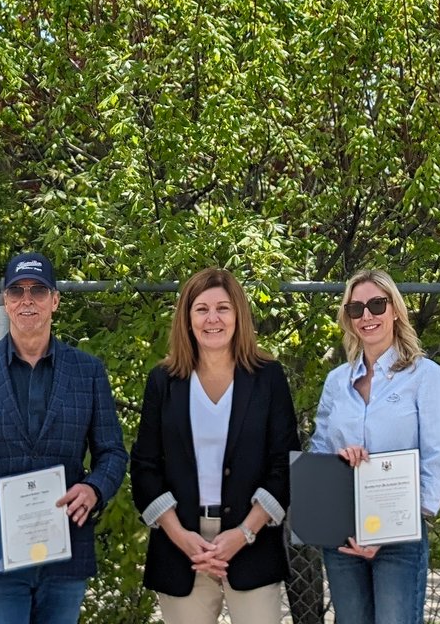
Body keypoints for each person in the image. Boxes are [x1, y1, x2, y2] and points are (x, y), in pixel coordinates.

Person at [0, 251, 128, 624]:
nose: (27, 300)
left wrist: (95, 489)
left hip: (66, 547)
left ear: (55, 301)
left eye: (38, 290)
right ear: (6, 300)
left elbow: (113, 452)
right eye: (17, 291)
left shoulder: (87, 372)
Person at [131, 267, 299, 624]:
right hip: (181, 547)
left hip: (251, 541)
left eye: (223, 308)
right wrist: (180, 536)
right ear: (187, 318)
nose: (213, 319)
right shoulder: (164, 381)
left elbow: (284, 464)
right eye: (201, 309)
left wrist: (244, 533)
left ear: (238, 315)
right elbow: (145, 466)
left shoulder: (267, 377)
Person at [309, 269, 440, 624]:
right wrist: (339, 458)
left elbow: (435, 460)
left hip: (400, 536)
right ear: (348, 318)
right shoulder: (336, 382)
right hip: (343, 531)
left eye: (376, 304)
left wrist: (393, 527)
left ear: (396, 310)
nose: (367, 316)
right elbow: (319, 449)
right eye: (356, 309)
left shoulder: (425, 376)